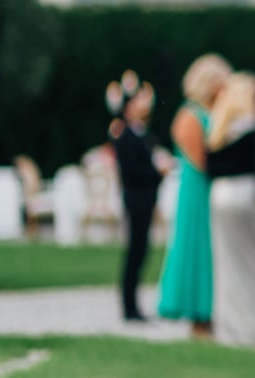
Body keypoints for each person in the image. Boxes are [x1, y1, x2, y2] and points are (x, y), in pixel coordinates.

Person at [156, 53, 227, 337]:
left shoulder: (215, 113)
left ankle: (212, 313)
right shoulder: (190, 115)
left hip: (209, 190)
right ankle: (199, 313)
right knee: (199, 249)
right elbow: (201, 160)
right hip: (196, 192)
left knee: (214, 251)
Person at [205, 72, 255, 346]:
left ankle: (230, 326)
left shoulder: (220, 129)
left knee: (226, 263)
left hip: (221, 196)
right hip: (248, 194)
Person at [108, 73, 164, 323]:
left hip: (145, 197)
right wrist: (157, 172)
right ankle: (129, 306)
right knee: (135, 250)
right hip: (136, 198)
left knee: (141, 249)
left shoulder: (141, 134)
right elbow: (133, 170)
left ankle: (133, 304)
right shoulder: (126, 136)